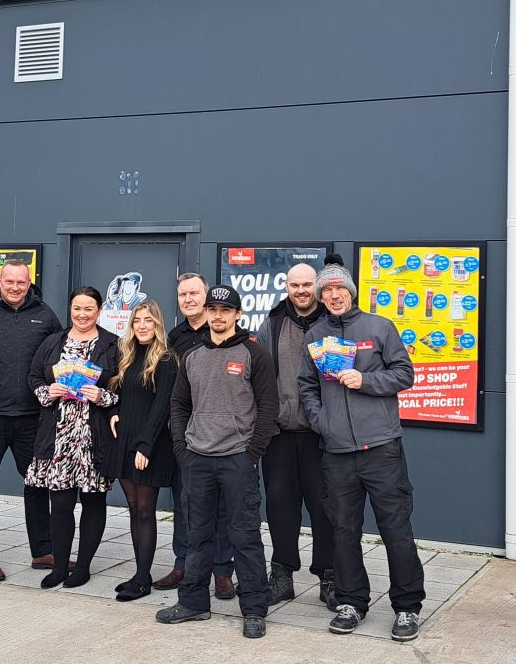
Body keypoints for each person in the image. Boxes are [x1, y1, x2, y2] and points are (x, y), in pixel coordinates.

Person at [298, 261, 425, 642]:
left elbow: (405, 374)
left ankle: (407, 607)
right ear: (321, 297)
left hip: (381, 448)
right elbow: (307, 386)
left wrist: (365, 380)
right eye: (327, 291)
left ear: (351, 292)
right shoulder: (316, 336)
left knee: (396, 531)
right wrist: (322, 422)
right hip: (337, 452)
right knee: (343, 532)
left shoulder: (379, 327)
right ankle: (351, 602)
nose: (334, 295)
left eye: (340, 288)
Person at [156, 285, 278, 640]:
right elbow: (179, 405)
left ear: (238, 314)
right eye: (213, 309)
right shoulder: (192, 356)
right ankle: (193, 602)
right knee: (197, 535)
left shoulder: (255, 355)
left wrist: (252, 453)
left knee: (244, 536)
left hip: (238, 459)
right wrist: (182, 448)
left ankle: (254, 609)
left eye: (226, 310)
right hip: (197, 459)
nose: (218, 315)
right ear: (206, 313)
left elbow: (269, 408)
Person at [0, 260, 62, 581]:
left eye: (21, 282)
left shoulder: (45, 315)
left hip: (32, 417)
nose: (15, 288)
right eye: (9, 281)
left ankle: (43, 551)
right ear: (0, 280)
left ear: (29, 282)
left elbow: (63, 355)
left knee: (37, 483)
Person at [25, 286, 119, 589]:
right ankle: (60, 567)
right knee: (61, 503)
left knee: (93, 502)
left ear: (99, 311)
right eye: (77, 308)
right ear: (70, 309)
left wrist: (102, 396)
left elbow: (124, 387)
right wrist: (47, 391)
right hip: (58, 437)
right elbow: (34, 376)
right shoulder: (53, 342)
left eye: (89, 308)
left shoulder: (112, 345)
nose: (82, 314)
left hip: (93, 437)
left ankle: (84, 567)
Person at [255, 262, 335, 608]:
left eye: (306, 284)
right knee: (280, 508)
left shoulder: (333, 321)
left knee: (325, 509)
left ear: (316, 286)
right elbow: (259, 378)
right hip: (281, 434)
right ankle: (282, 575)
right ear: (286, 287)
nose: (301, 291)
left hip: (322, 437)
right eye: (294, 285)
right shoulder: (272, 324)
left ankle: (329, 576)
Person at [155, 272, 236, 599]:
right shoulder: (174, 336)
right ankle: (184, 564)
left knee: (221, 507)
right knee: (185, 502)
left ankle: (222, 571)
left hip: (222, 435)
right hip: (186, 435)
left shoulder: (223, 331)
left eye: (194, 293)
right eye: (182, 295)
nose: (188, 299)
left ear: (207, 296)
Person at [102, 299, 176, 601]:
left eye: (149, 321)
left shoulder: (166, 360)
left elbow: (161, 408)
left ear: (158, 325)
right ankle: (139, 574)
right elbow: (115, 393)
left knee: (145, 511)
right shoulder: (127, 355)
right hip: (124, 441)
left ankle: (143, 580)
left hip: (149, 445)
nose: (143, 326)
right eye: (137, 320)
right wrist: (113, 413)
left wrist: (145, 446)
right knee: (133, 509)